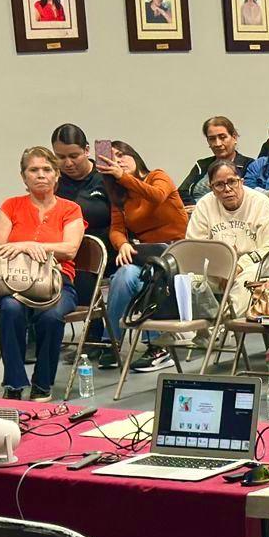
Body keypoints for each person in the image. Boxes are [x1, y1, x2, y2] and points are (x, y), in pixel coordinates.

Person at [0, 146, 83, 400]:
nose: (40, 175)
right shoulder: (11, 206)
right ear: (24, 177)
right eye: (33, 170)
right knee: (9, 309)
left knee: (51, 317)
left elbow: (70, 249)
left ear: (57, 175)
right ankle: (13, 383)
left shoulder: (70, 209)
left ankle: (42, 384)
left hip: (57, 283)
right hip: (15, 283)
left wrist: (31, 245)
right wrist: (26, 247)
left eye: (47, 169)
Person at [97, 141, 189, 373]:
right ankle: (112, 343)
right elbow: (116, 229)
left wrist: (123, 177)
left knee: (150, 277)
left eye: (122, 155)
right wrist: (123, 244)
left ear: (134, 156)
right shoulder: (121, 196)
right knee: (124, 274)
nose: (118, 161)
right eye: (112, 158)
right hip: (149, 254)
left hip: (178, 251)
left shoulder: (158, 176)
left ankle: (158, 346)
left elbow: (157, 196)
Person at [185, 161, 269, 318]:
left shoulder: (261, 204)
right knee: (190, 280)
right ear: (212, 189)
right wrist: (221, 269)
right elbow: (195, 247)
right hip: (217, 267)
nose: (227, 189)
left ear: (242, 182)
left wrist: (239, 266)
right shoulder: (204, 205)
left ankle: (226, 323)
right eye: (219, 185)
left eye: (232, 182)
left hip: (255, 266)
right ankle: (204, 327)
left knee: (245, 282)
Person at [49, 125, 113, 336]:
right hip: (65, 253)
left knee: (84, 269)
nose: (67, 163)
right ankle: (36, 334)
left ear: (87, 150)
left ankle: (97, 335)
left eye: (74, 155)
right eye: (60, 157)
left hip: (103, 251)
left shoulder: (105, 177)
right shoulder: (55, 183)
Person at [178, 116, 255, 204]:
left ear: (234, 137)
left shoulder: (249, 165)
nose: (217, 144)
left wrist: (204, 209)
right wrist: (196, 208)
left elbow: (245, 197)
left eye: (222, 137)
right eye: (212, 139)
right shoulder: (202, 165)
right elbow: (182, 192)